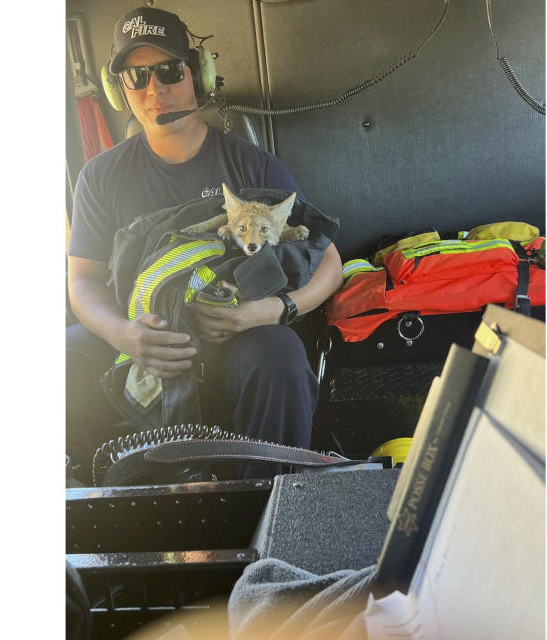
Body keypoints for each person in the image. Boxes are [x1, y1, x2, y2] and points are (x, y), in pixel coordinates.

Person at [66, 6, 343, 479]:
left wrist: (271, 311)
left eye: (170, 71)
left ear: (197, 74)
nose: (154, 89)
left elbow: (330, 263)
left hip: (236, 335)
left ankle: (269, 512)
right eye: (136, 77)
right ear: (120, 91)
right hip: (140, 334)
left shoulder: (251, 165)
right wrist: (124, 334)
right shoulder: (99, 177)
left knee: (281, 356)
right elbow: (83, 282)